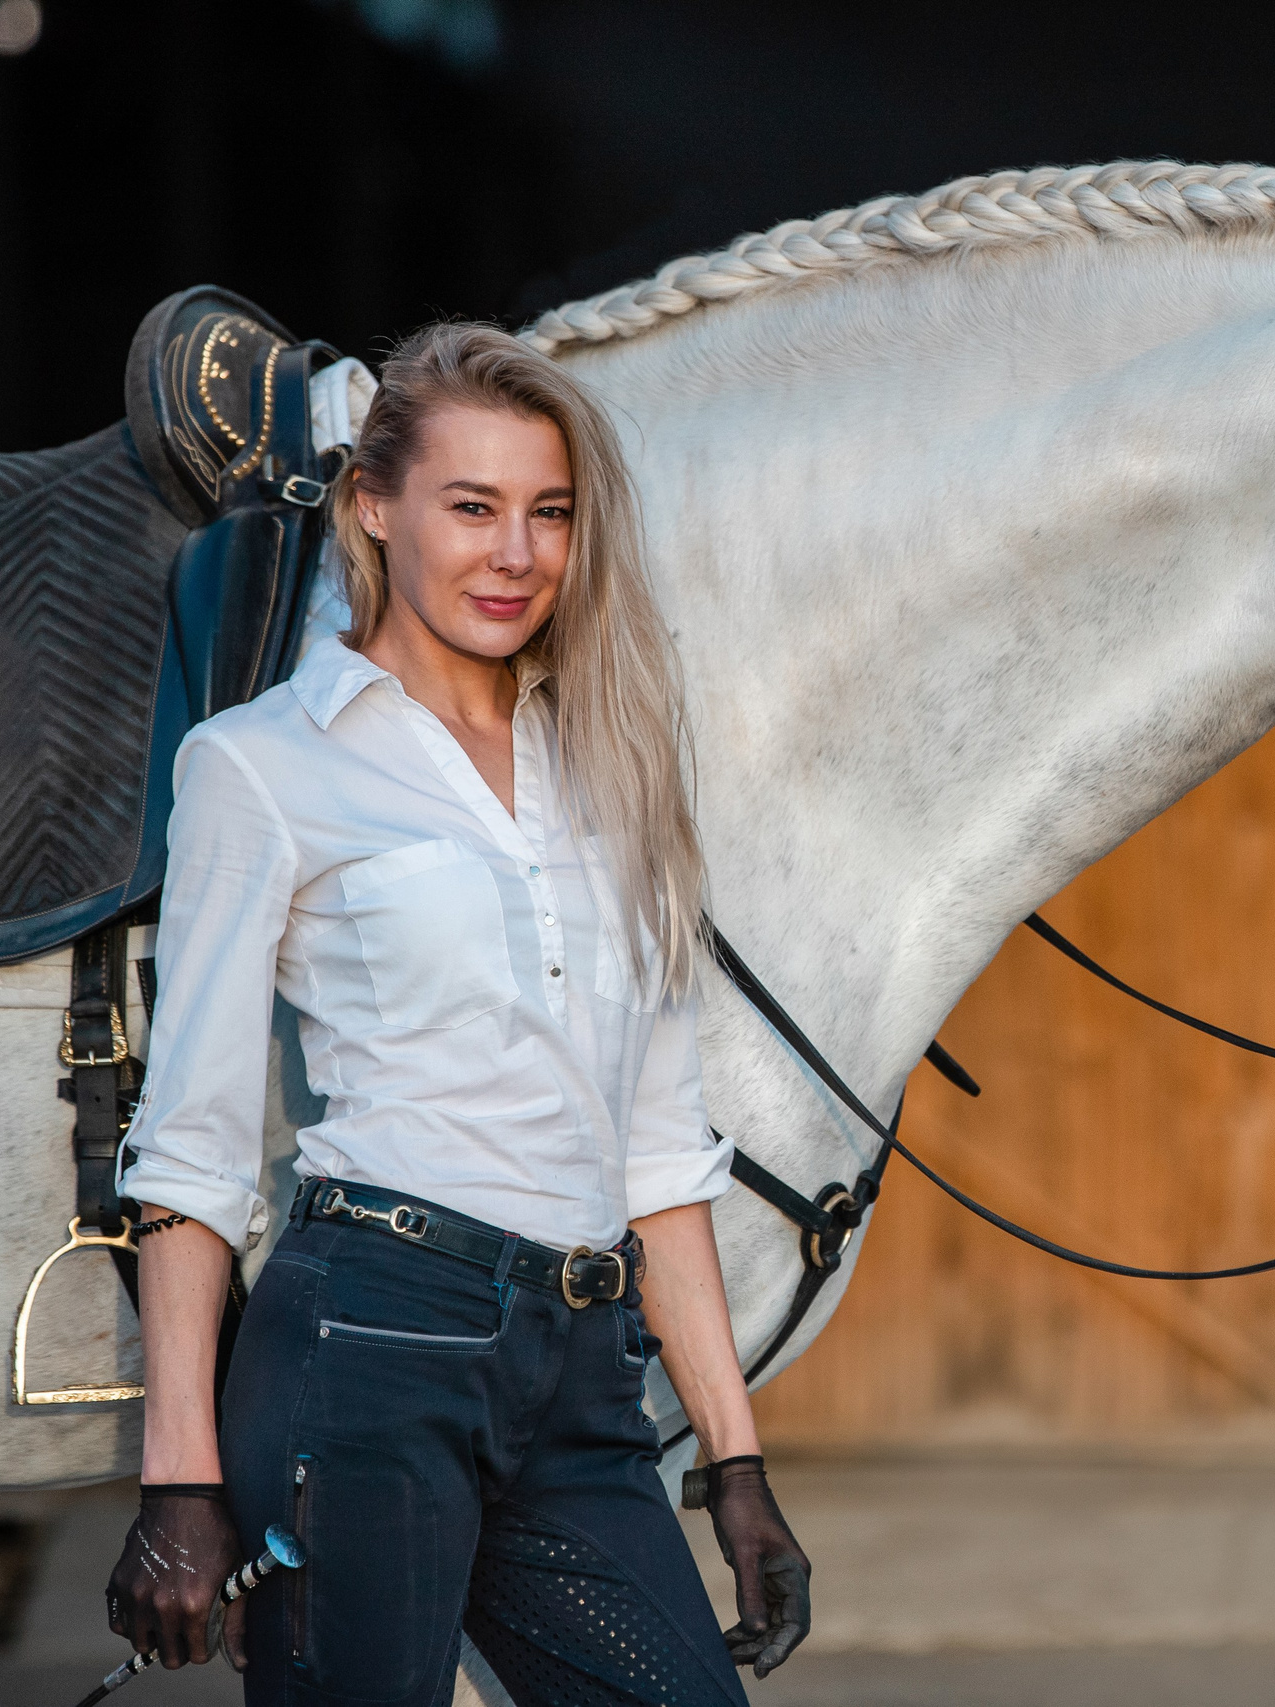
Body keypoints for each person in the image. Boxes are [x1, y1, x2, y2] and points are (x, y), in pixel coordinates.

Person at [104, 322, 806, 1706]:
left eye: (549, 513)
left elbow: (657, 1149)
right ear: (375, 507)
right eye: (471, 507)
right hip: (368, 1349)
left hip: (585, 1375)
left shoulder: (611, 764)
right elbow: (190, 1146)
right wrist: (179, 1476)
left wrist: (734, 1461)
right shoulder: (260, 767)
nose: (516, 553)